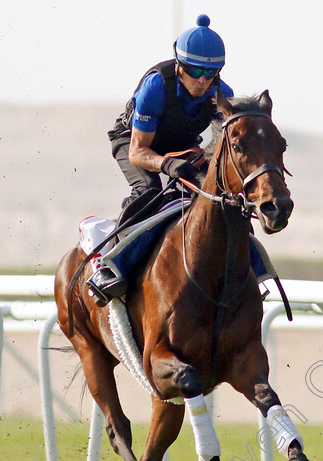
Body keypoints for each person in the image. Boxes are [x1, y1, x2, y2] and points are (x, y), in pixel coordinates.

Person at [83, 14, 235, 306]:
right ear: (180, 65)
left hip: (180, 144)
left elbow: (218, 146)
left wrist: (202, 160)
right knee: (150, 192)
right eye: (195, 70)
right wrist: (166, 164)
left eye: (211, 72)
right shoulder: (156, 86)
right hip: (133, 141)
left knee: (210, 198)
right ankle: (108, 262)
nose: (203, 80)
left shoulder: (221, 94)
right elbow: (138, 152)